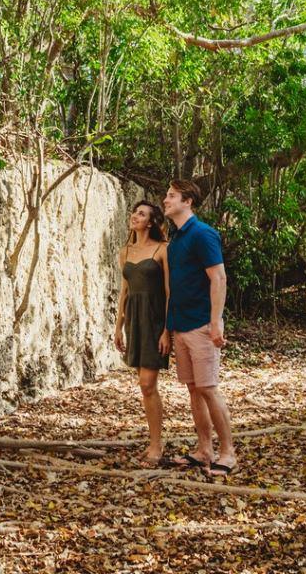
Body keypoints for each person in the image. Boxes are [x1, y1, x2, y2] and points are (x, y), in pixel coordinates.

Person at [160, 178, 237, 477]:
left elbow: (218, 278)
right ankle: (204, 449)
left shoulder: (203, 234)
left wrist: (216, 321)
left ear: (187, 201)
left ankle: (228, 452)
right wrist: (169, 328)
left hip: (202, 324)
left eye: (171, 196)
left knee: (208, 387)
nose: (165, 200)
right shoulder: (176, 239)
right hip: (181, 325)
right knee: (193, 389)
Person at [114, 200, 171, 467]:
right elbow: (124, 292)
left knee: (147, 384)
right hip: (133, 321)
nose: (134, 216)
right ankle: (155, 440)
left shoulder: (162, 249)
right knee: (146, 386)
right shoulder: (125, 251)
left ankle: (156, 445)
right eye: (135, 212)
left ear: (150, 222)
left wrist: (167, 331)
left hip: (155, 320)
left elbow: (170, 293)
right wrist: (117, 327)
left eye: (141, 214)